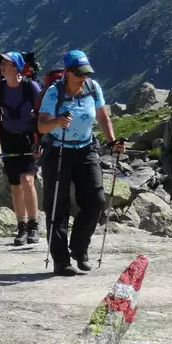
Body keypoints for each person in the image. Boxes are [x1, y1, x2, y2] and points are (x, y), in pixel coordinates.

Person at [37, 50, 124, 276]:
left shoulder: (92, 88)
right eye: (78, 73)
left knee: (96, 200)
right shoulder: (54, 93)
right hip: (58, 150)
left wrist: (112, 141)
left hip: (86, 149)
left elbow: (103, 117)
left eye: (86, 72)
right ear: (68, 72)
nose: (83, 76)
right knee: (58, 205)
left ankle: (79, 248)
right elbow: (42, 126)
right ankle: (61, 259)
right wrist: (57, 121)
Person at [0, 51, 42, 245]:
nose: (2, 66)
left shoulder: (31, 87)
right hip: (8, 140)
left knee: (27, 179)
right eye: (1, 63)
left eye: (6, 63)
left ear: (16, 67)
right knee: (15, 185)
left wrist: (41, 141)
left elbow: (44, 114)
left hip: (30, 140)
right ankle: (21, 228)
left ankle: (33, 226)